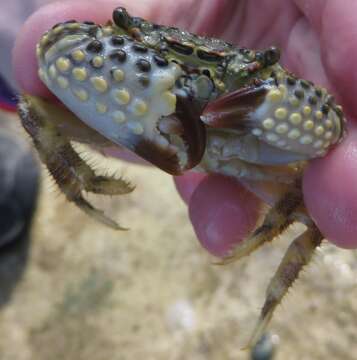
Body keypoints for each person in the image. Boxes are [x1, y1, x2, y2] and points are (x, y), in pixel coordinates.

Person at [9, 0, 357, 255]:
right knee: (35, 106)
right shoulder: (114, 43)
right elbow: (54, 60)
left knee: (318, 208)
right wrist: (76, 177)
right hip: (109, 94)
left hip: (244, 143)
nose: (189, 85)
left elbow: (329, 125)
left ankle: (264, 311)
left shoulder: (271, 103)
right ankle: (82, 182)